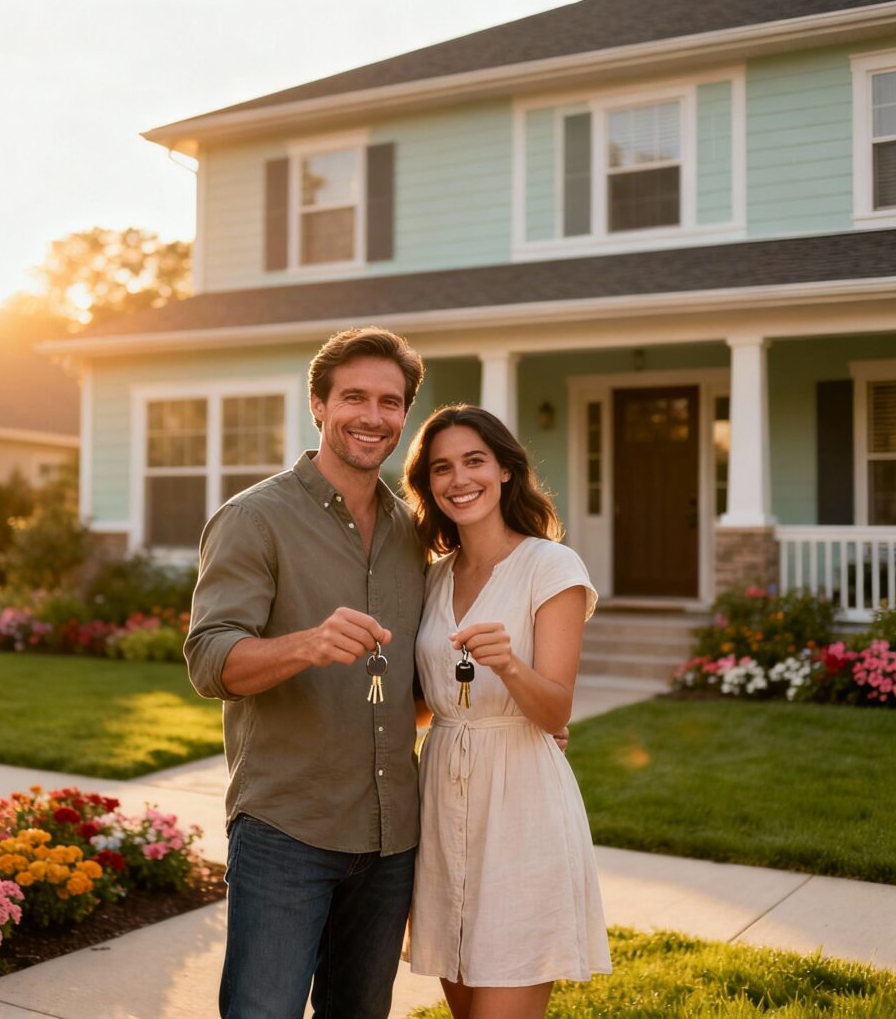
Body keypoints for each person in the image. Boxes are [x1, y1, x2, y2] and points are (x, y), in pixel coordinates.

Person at [184, 326, 428, 1019]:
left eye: (390, 401)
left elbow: (424, 680)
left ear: (405, 414)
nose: (373, 417)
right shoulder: (254, 520)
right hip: (287, 829)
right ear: (318, 405)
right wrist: (308, 645)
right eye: (354, 397)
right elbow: (209, 659)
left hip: (390, 840)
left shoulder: (414, 532)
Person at [401, 404, 612, 1019]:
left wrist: (510, 665)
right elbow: (432, 705)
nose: (458, 479)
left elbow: (555, 711)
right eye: (441, 468)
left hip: (520, 807)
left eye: (474, 461)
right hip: (441, 804)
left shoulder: (551, 567)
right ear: (428, 486)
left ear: (505, 471)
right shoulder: (434, 578)